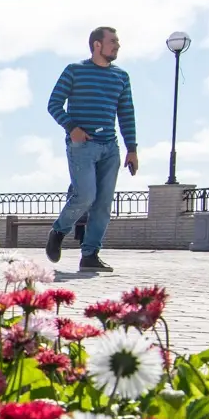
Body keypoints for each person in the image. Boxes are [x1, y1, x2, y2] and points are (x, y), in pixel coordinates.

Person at [44, 27, 139, 273]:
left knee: (103, 203)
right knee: (85, 196)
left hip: (110, 147)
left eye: (118, 41)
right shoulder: (74, 71)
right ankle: (58, 231)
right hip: (81, 145)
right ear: (97, 45)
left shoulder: (121, 76)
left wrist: (132, 148)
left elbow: (126, 113)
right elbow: (53, 103)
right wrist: (71, 127)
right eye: (113, 41)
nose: (117, 45)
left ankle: (90, 255)